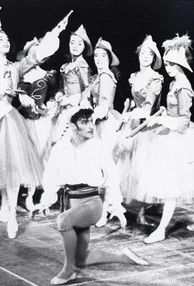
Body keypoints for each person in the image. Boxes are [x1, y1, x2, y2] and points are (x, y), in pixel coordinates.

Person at [0, 7, 67, 238]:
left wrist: (54, 35)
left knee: (10, 169)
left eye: (8, 38)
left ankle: (12, 215)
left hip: (9, 120)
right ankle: (3, 209)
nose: (6, 41)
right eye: (1, 39)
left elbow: (35, 56)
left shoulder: (14, 67)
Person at [30, 108, 149, 285]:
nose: (90, 126)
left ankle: (68, 270)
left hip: (91, 203)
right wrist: (45, 202)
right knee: (80, 258)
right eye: (84, 122)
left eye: (91, 122)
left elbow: (112, 175)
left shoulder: (98, 146)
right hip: (71, 202)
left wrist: (114, 204)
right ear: (73, 126)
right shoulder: (61, 148)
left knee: (63, 221)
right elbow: (51, 176)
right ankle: (123, 257)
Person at [134, 34, 194, 244]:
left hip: (182, 138)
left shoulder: (183, 86)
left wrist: (164, 120)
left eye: (173, 64)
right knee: (191, 181)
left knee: (173, 185)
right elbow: (174, 112)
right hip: (173, 134)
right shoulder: (175, 83)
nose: (169, 67)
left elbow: (183, 122)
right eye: (168, 63)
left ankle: (162, 229)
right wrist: (163, 114)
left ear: (182, 65)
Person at [117, 35, 164, 226]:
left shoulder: (155, 79)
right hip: (133, 124)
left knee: (145, 171)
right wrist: (128, 110)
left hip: (147, 128)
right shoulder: (134, 77)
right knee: (126, 165)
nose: (145, 57)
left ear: (154, 58)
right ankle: (117, 207)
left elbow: (147, 106)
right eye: (143, 53)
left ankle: (142, 213)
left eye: (149, 54)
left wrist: (135, 113)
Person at [80, 38, 126, 227]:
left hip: (105, 124)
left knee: (106, 168)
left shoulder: (106, 76)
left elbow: (104, 105)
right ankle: (104, 208)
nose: (98, 59)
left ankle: (108, 209)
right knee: (100, 168)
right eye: (96, 56)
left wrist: (91, 116)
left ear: (109, 58)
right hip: (99, 123)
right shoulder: (98, 77)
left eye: (103, 56)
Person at [16, 38, 58, 210]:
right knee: (26, 157)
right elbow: (20, 93)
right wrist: (24, 99)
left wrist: (53, 102)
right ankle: (25, 193)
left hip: (42, 121)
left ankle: (38, 195)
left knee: (40, 157)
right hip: (25, 120)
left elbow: (55, 93)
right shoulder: (23, 74)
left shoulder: (49, 75)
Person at [49, 25, 92, 149]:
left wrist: (71, 100)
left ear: (84, 47)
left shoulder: (82, 65)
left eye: (79, 44)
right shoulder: (67, 65)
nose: (75, 46)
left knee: (71, 145)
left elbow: (87, 89)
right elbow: (63, 87)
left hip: (77, 109)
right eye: (72, 42)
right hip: (65, 109)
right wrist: (60, 94)